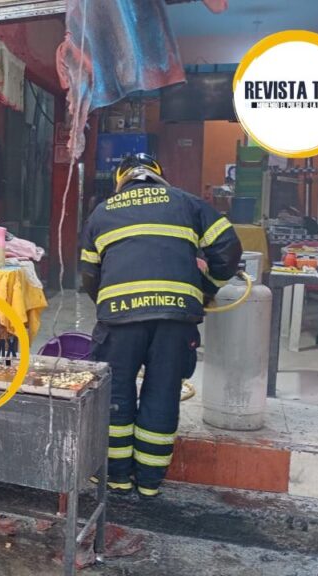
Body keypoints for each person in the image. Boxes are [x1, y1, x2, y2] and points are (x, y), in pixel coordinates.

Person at [79, 153, 242, 498]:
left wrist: (112, 306)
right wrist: (206, 288)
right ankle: (150, 481)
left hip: (120, 319)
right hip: (175, 319)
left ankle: (116, 477)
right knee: (163, 391)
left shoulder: (102, 212)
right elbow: (228, 251)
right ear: (158, 177)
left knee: (114, 392)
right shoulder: (187, 203)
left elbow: (89, 275)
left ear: (121, 181)